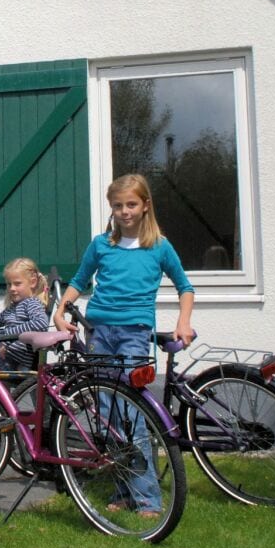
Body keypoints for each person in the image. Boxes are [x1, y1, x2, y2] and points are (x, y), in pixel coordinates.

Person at [52, 174, 195, 515]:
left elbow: (185, 287)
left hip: (133, 334)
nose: (124, 211)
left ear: (145, 206)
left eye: (131, 204)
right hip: (99, 332)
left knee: (132, 411)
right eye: (118, 206)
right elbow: (79, 281)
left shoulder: (159, 246)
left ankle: (147, 498)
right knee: (108, 415)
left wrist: (183, 321)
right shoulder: (102, 244)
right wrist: (60, 311)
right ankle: (123, 491)